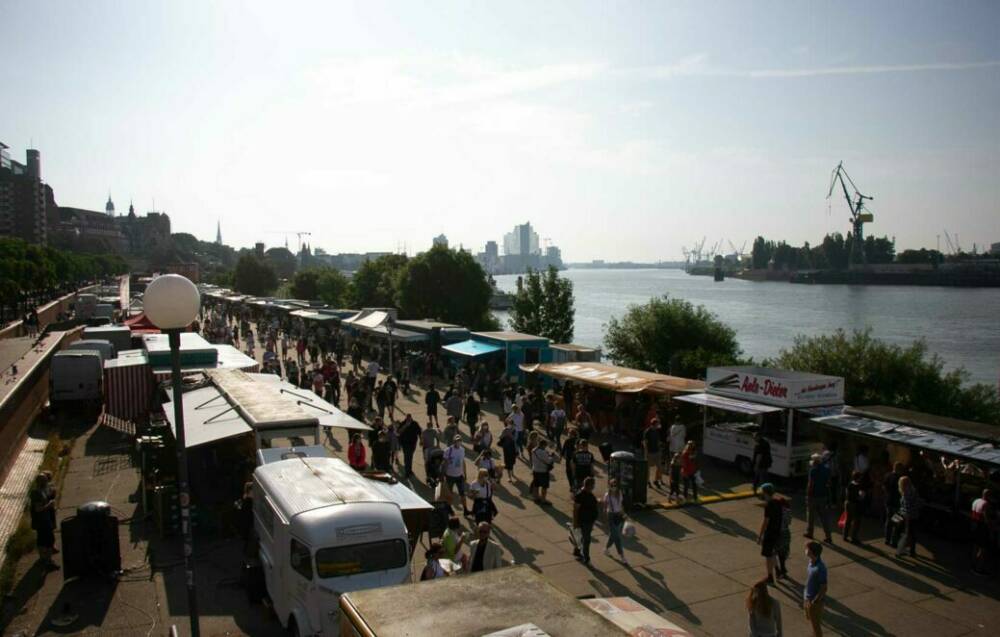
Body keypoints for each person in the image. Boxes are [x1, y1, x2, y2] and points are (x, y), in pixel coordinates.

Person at [29, 472, 58, 569]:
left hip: (45, 520)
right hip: (42, 521)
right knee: (48, 540)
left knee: (42, 540)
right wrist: (49, 505)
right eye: (45, 480)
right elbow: (38, 509)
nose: (47, 481)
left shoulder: (41, 490)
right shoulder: (37, 493)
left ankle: (43, 559)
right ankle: (48, 561)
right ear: (41, 482)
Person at [757, 483, 782, 583]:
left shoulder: (769, 506)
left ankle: (770, 576)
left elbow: (765, 522)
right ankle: (777, 570)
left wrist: (760, 536)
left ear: (766, 493)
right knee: (773, 552)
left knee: (768, 555)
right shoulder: (778, 502)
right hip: (777, 531)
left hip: (770, 532)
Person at [804, 453, 832, 543]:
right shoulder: (827, 469)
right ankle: (828, 536)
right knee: (824, 517)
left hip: (813, 496)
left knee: (810, 515)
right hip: (823, 496)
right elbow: (828, 483)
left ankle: (810, 532)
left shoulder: (813, 471)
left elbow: (810, 484)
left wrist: (808, 495)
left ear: (814, 461)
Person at [573, 477, 599, 566]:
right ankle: (586, 558)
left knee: (581, 537)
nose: (593, 487)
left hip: (589, 520)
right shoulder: (580, 495)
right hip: (584, 520)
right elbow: (575, 509)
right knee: (586, 539)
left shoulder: (590, 495)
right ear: (588, 486)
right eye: (592, 486)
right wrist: (575, 522)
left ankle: (577, 550)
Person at [803, 541, 827, 637]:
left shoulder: (820, 568)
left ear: (812, 552)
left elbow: (824, 587)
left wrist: (815, 601)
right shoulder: (811, 562)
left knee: (816, 626)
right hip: (807, 598)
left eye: (807, 548)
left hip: (814, 601)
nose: (805, 550)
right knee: (812, 623)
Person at [603, 479, 629, 566]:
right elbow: (605, 506)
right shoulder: (607, 495)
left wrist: (624, 514)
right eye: (612, 485)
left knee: (613, 535)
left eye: (615, 485)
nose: (613, 487)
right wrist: (605, 517)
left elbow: (620, 505)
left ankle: (606, 549)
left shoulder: (619, 493)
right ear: (609, 486)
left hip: (618, 516)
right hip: (611, 516)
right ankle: (622, 556)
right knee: (617, 537)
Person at [443, 436, 470, 516]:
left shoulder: (462, 450)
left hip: (459, 475)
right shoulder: (448, 450)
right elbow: (445, 463)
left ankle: (465, 510)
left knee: (462, 494)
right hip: (450, 475)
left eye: (460, 441)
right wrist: (444, 474)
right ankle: (449, 509)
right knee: (449, 494)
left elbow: (463, 462)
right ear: (454, 441)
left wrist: (465, 473)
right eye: (457, 441)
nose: (458, 442)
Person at [971, 489, 996, 575]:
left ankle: (973, 565)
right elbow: (986, 520)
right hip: (982, 528)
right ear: (988, 496)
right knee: (983, 549)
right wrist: (991, 531)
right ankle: (979, 569)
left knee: (975, 547)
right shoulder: (986, 504)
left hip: (975, 526)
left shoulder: (976, 501)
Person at [895, 475, 920, 558]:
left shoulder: (906, 491)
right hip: (911, 515)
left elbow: (906, 506)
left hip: (907, 516)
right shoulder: (912, 490)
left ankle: (900, 551)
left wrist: (901, 517)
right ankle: (910, 551)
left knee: (905, 534)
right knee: (911, 534)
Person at [882, 462, 904, 547]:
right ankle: (894, 541)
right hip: (897, 504)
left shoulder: (888, 475)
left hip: (889, 502)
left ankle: (887, 539)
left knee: (888, 522)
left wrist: (888, 494)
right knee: (896, 523)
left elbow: (884, 487)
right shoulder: (900, 478)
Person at [842, 471, 865, 544]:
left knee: (848, 520)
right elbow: (859, 497)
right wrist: (862, 496)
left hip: (848, 503)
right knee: (856, 521)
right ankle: (854, 538)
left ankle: (845, 535)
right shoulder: (858, 486)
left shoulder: (849, 484)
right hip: (855, 504)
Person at [530, 438, 556, 505]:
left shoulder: (534, 450)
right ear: (543, 445)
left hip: (535, 470)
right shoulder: (543, 452)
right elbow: (548, 461)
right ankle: (543, 500)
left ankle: (536, 498)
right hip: (543, 471)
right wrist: (552, 456)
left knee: (536, 485)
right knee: (544, 486)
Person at [398, 414, 421, 479]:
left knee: (410, 457)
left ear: (411, 418)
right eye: (407, 418)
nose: (408, 419)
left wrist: (421, 440)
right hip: (405, 444)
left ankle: (409, 470)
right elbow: (399, 432)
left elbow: (419, 431)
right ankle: (407, 472)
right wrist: (405, 426)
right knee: (406, 457)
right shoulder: (403, 423)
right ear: (406, 418)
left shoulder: (415, 423)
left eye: (409, 418)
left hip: (413, 443)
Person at [643, 418, 664, 488]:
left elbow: (658, 441)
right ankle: (647, 481)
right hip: (650, 452)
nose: (658, 425)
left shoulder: (657, 431)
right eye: (657, 424)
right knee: (648, 468)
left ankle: (656, 480)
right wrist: (646, 452)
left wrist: (660, 450)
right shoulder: (647, 432)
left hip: (657, 452)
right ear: (654, 424)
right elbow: (645, 443)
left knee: (659, 467)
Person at [561, 427, 579, 491]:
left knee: (569, 472)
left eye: (569, 433)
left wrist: (562, 456)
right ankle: (575, 485)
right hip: (576, 459)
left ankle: (572, 485)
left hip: (569, 459)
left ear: (572, 434)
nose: (568, 434)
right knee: (575, 473)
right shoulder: (578, 440)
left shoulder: (567, 441)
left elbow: (563, 450)